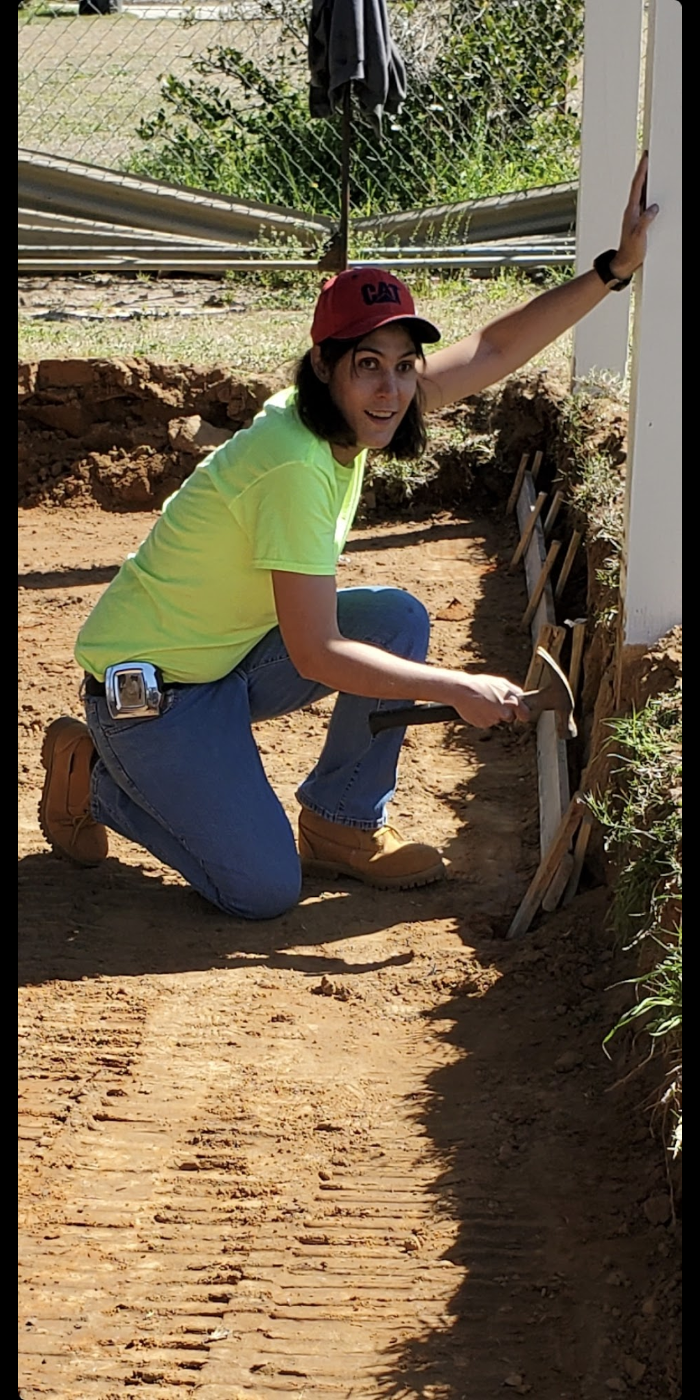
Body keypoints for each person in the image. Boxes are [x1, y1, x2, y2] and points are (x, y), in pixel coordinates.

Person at [38, 157, 657, 920]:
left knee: (392, 618)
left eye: (404, 366)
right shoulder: (293, 467)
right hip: (152, 695)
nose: (391, 389)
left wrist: (613, 270)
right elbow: (317, 655)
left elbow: (494, 350)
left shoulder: (348, 412)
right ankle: (95, 779)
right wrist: (457, 687)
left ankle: (342, 823)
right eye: (368, 365)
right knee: (261, 890)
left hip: (226, 658)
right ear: (325, 365)